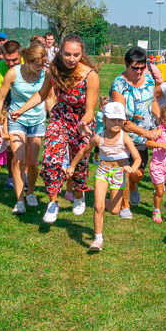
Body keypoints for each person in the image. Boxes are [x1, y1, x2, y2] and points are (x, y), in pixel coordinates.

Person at [13, 34, 99, 223]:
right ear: (60, 52)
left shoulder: (90, 76)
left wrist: (82, 123)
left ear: (81, 53)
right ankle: (52, 201)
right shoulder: (53, 70)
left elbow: (90, 111)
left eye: (76, 55)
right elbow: (42, 94)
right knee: (50, 159)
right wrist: (21, 109)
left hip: (81, 122)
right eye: (67, 54)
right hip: (59, 118)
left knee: (80, 163)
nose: (71, 59)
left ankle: (78, 194)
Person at [66, 101, 141, 251]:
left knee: (114, 210)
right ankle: (97, 239)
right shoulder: (98, 138)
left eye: (120, 120)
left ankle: (102, 203)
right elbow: (82, 152)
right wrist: (72, 166)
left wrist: (132, 168)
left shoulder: (124, 137)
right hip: (102, 172)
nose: (116, 122)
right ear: (104, 119)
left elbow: (137, 158)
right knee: (99, 207)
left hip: (119, 173)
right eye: (113, 119)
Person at [0, 43, 50, 214]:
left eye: (43, 64)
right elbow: (0, 99)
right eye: (38, 64)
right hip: (16, 120)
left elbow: (48, 97)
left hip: (37, 121)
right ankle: (19, 200)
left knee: (32, 163)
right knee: (19, 159)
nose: (41, 68)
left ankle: (31, 192)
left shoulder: (45, 74)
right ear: (27, 61)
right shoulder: (13, 73)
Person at [108, 47, 160, 213]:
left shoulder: (150, 79)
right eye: (134, 68)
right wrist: (147, 134)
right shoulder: (119, 86)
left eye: (142, 67)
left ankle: (132, 187)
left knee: (138, 173)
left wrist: (160, 122)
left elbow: (152, 102)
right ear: (126, 64)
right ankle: (124, 206)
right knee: (124, 170)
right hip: (122, 135)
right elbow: (121, 120)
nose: (138, 72)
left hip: (144, 134)